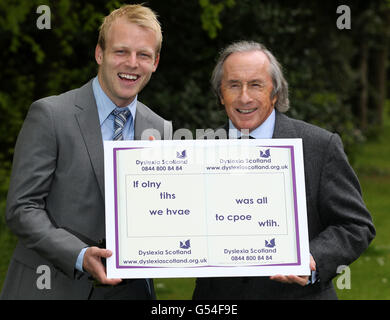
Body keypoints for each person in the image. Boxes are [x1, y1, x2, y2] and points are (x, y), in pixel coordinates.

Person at [1, 4, 172, 300]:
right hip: (53, 286)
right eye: (121, 51)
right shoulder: (50, 115)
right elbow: (22, 208)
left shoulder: (160, 128)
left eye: (143, 55)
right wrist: (79, 255)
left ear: (155, 62)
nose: (132, 63)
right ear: (99, 54)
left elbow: (161, 212)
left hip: (132, 292)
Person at [192, 40, 375, 299]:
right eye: (234, 85)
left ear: (275, 93)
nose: (244, 97)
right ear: (221, 95)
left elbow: (356, 225)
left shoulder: (319, 146)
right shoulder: (198, 152)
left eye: (256, 85)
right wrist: (157, 170)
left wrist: (312, 258)